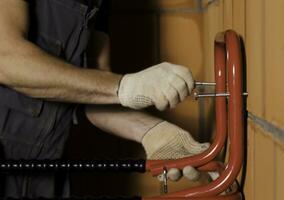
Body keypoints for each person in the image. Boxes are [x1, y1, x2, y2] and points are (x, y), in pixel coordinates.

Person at [0, 0, 209, 198]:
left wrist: (155, 133)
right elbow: (7, 60)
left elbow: (94, 93)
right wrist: (124, 86)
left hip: (47, 171)